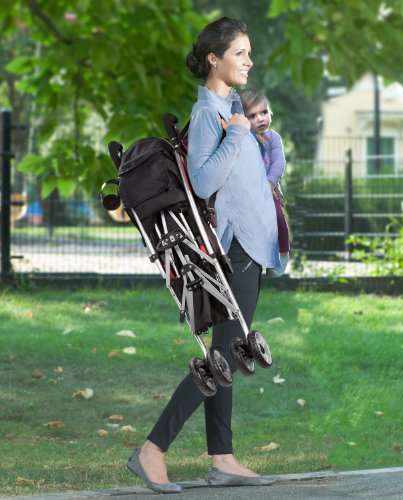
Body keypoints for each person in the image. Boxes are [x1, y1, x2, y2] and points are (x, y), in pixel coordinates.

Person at [125, 17, 279, 494]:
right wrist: (237, 134)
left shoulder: (231, 108)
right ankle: (152, 450)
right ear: (214, 58)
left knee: (224, 354)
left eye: (249, 53)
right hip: (235, 249)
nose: (249, 61)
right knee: (225, 357)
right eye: (239, 53)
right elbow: (205, 179)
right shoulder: (211, 114)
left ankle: (223, 458)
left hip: (251, 248)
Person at [238, 89, 291, 277]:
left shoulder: (272, 138)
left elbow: (278, 163)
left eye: (264, 112)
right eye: (252, 116)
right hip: (247, 192)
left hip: (267, 190)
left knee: (278, 217)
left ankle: (282, 254)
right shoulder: (241, 140)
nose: (260, 119)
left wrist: (271, 184)